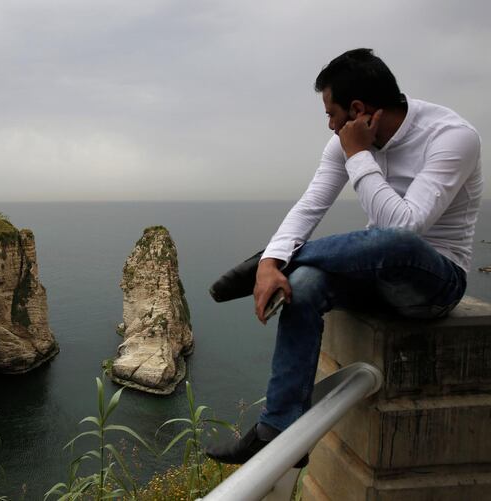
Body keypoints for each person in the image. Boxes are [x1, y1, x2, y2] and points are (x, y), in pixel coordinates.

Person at [206, 48, 483, 467]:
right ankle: (276, 430)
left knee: (397, 241)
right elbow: (310, 205)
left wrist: (358, 154)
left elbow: (406, 226)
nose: (330, 125)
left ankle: (281, 258)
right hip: (376, 273)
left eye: (330, 113)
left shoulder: (452, 136)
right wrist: (270, 265)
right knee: (303, 286)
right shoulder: (341, 144)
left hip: (434, 282)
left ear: (357, 110)